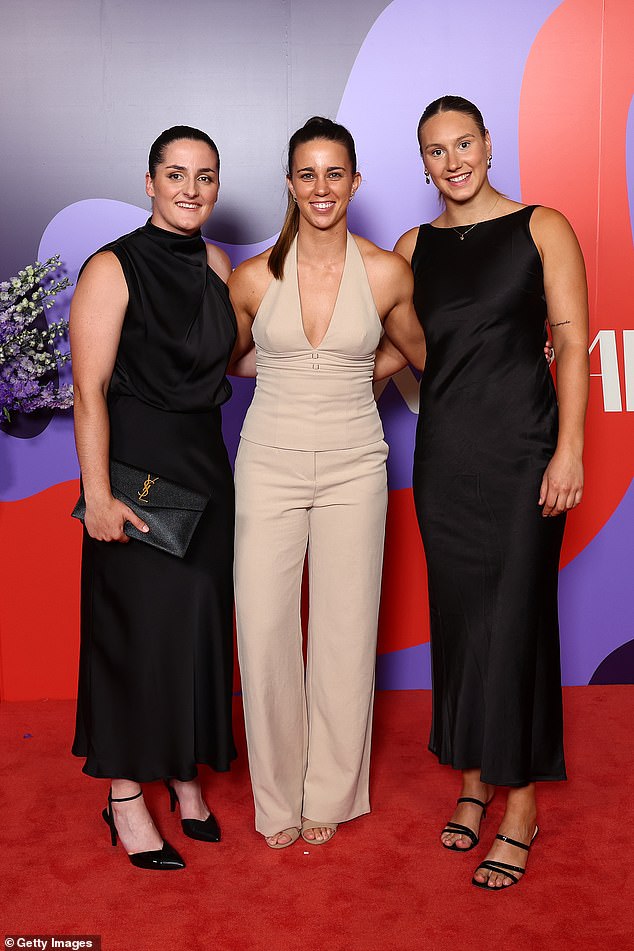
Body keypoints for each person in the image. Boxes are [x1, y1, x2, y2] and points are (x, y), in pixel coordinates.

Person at [394, 96, 589, 889]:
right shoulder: (412, 248)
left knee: (515, 622)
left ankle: (521, 804)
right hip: (446, 460)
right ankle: (472, 779)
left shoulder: (543, 227)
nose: (452, 162)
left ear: (486, 143)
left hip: (524, 453)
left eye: (463, 144)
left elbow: (572, 341)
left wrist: (569, 450)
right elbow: (389, 348)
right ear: (424, 162)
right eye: (436, 151)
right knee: (460, 619)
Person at [228, 116, 426, 849]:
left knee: (346, 632)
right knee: (266, 630)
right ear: (289, 183)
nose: (321, 187)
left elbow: (419, 354)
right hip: (269, 463)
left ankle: (332, 795)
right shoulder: (252, 278)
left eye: (334, 173)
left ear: (355, 181)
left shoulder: (385, 273)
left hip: (353, 465)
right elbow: (229, 360)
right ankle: (276, 798)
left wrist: (346, 377)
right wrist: (292, 375)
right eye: (307, 174)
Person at [70, 126, 237, 869]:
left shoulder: (217, 263)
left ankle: (183, 773)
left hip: (206, 467)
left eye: (204, 177)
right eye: (175, 174)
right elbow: (87, 391)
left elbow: (234, 359)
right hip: (136, 470)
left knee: (194, 627)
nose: (190, 189)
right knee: (136, 633)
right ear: (149, 181)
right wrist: (97, 495)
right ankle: (126, 795)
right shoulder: (112, 266)